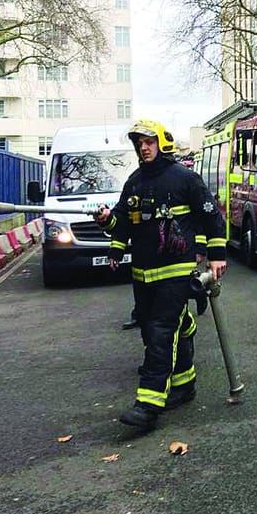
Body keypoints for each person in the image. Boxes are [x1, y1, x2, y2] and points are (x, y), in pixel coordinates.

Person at [95, 119, 227, 431]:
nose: (143, 147)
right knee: (150, 325)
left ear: (162, 143)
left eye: (148, 141)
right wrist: (107, 223)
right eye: (139, 143)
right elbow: (123, 224)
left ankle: (149, 404)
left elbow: (211, 216)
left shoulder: (185, 179)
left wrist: (217, 256)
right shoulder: (135, 182)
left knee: (159, 331)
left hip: (176, 269)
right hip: (143, 273)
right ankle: (184, 383)